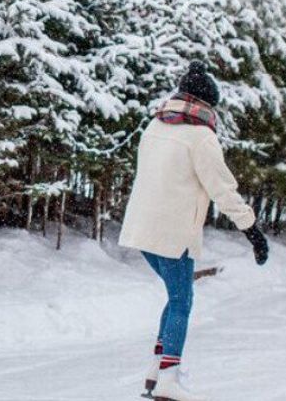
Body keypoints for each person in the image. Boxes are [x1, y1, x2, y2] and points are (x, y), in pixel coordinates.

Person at [119, 61, 269, 401]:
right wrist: (252, 231)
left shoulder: (155, 125)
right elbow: (223, 190)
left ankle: (157, 370)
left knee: (176, 296)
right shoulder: (201, 137)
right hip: (173, 233)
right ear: (205, 105)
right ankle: (169, 378)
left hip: (143, 228)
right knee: (181, 301)